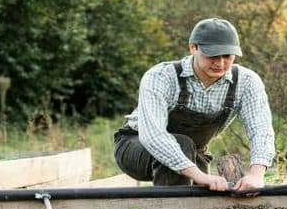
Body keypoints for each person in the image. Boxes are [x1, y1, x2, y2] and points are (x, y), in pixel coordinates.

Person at [114, 18, 275, 193]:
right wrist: (199, 176)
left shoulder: (246, 82)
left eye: (227, 56)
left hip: (193, 153)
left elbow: (261, 130)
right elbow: (153, 136)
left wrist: (256, 176)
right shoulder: (161, 76)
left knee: (208, 196)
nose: (220, 63)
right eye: (212, 55)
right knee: (182, 147)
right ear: (193, 47)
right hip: (136, 146)